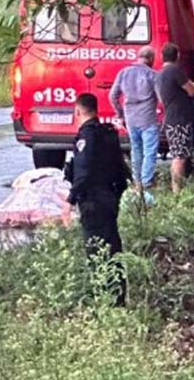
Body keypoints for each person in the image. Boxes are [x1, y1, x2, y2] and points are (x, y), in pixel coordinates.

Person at [66, 93, 130, 306]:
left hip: (93, 202)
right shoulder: (108, 133)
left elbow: (83, 172)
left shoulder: (87, 137)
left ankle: (103, 299)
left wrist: (70, 200)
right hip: (109, 198)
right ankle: (118, 298)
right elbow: (122, 170)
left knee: (96, 251)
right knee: (113, 248)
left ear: (77, 111)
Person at [109, 45, 159, 190]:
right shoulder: (152, 75)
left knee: (136, 149)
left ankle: (137, 182)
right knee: (150, 151)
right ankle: (146, 182)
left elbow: (113, 96)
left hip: (130, 117)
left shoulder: (124, 73)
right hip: (148, 117)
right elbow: (161, 98)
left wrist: (120, 113)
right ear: (151, 59)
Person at [155, 43, 194, 193]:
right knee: (179, 156)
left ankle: (178, 189)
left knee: (179, 154)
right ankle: (177, 191)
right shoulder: (175, 71)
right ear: (178, 56)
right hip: (179, 119)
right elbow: (191, 91)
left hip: (170, 118)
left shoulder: (160, 74)